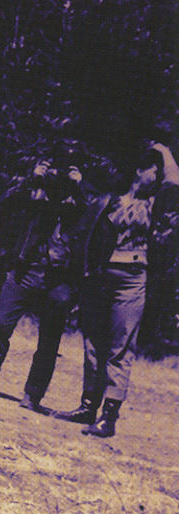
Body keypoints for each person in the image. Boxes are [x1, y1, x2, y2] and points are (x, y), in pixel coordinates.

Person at [54, 142, 179, 437]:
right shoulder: (111, 199)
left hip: (133, 278)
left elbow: (175, 180)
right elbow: (86, 231)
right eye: (154, 170)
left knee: (120, 346)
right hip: (100, 277)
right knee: (93, 342)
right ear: (138, 171)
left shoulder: (157, 202)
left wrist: (162, 150)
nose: (159, 175)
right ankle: (87, 406)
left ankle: (108, 418)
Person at [0, 156, 87, 411]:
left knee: (49, 342)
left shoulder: (77, 203)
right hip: (24, 270)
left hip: (59, 279)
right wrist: (33, 178)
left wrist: (78, 186)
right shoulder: (33, 197)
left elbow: (91, 215)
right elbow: (6, 204)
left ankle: (33, 395)